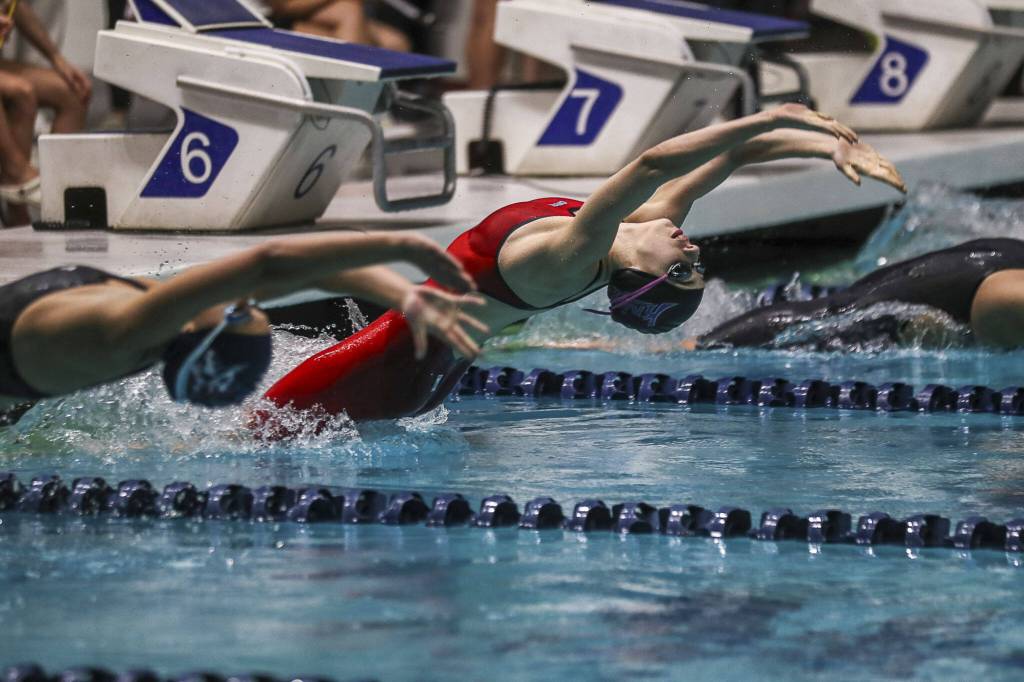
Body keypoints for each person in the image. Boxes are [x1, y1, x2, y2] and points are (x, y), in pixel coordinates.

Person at [260, 104, 906, 426]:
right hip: (433, 363)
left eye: (684, 268)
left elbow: (655, 163)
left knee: (250, 438)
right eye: (693, 262)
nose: (694, 249)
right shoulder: (642, 226)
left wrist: (770, 113)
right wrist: (832, 145)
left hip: (388, 367)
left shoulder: (572, 258)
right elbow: (730, 159)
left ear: (641, 277)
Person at [0, 230, 487, 425]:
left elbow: (266, 261)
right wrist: (401, 294)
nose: (243, 301)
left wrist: (399, 246)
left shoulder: (131, 329)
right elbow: (302, 272)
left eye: (240, 311)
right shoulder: (175, 322)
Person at [693, 238, 1024, 350]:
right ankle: (693, 346)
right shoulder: (1009, 291)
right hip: (949, 283)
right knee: (834, 317)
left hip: (966, 272)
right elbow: (993, 306)